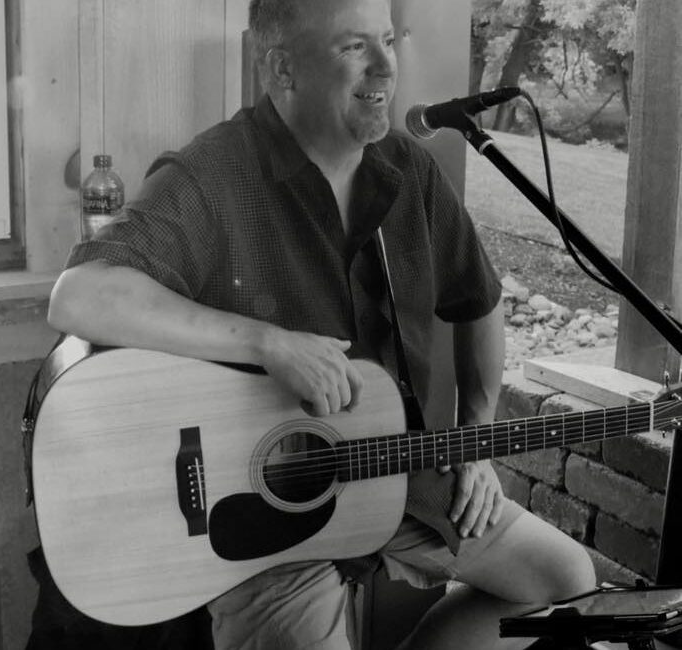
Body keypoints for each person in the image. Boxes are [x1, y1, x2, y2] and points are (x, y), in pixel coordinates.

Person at [45, 0, 597, 647]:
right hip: (262, 523)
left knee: (567, 582)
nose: (386, 66)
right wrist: (266, 342)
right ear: (282, 68)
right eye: (353, 48)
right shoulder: (213, 174)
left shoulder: (407, 167)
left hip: (397, 476)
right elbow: (81, 296)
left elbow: (478, 299)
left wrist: (472, 441)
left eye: (387, 41)